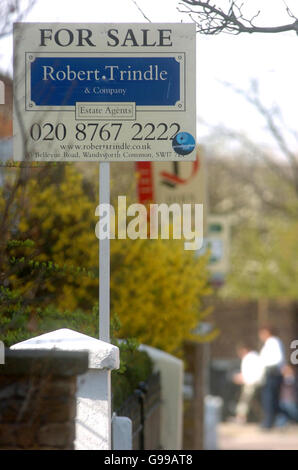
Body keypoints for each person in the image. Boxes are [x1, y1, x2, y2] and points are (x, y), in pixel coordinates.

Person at [258, 325, 285, 429]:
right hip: (271, 373)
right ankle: (271, 422)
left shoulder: (273, 342)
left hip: (272, 373)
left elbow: (277, 359)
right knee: (270, 399)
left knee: (270, 399)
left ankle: (269, 423)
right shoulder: (270, 343)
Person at [233, 342, 264, 424]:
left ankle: (241, 417)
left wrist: (242, 378)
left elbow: (252, 373)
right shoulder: (254, 357)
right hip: (252, 382)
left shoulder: (250, 358)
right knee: (251, 401)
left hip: (251, 383)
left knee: (245, 401)